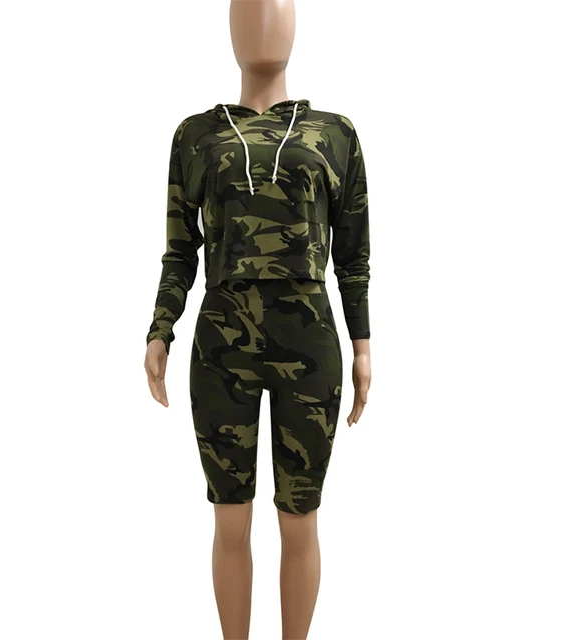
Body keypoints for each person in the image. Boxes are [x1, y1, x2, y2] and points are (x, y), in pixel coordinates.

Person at [144, 4, 371, 639]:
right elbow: (179, 250)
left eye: (278, 8)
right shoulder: (195, 136)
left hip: (311, 341)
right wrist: (161, 326)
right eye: (248, 8)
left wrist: (362, 345)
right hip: (222, 344)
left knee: (300, 517)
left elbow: (353, 256)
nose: (265, 19)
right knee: (230, 518)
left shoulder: (335, 133)